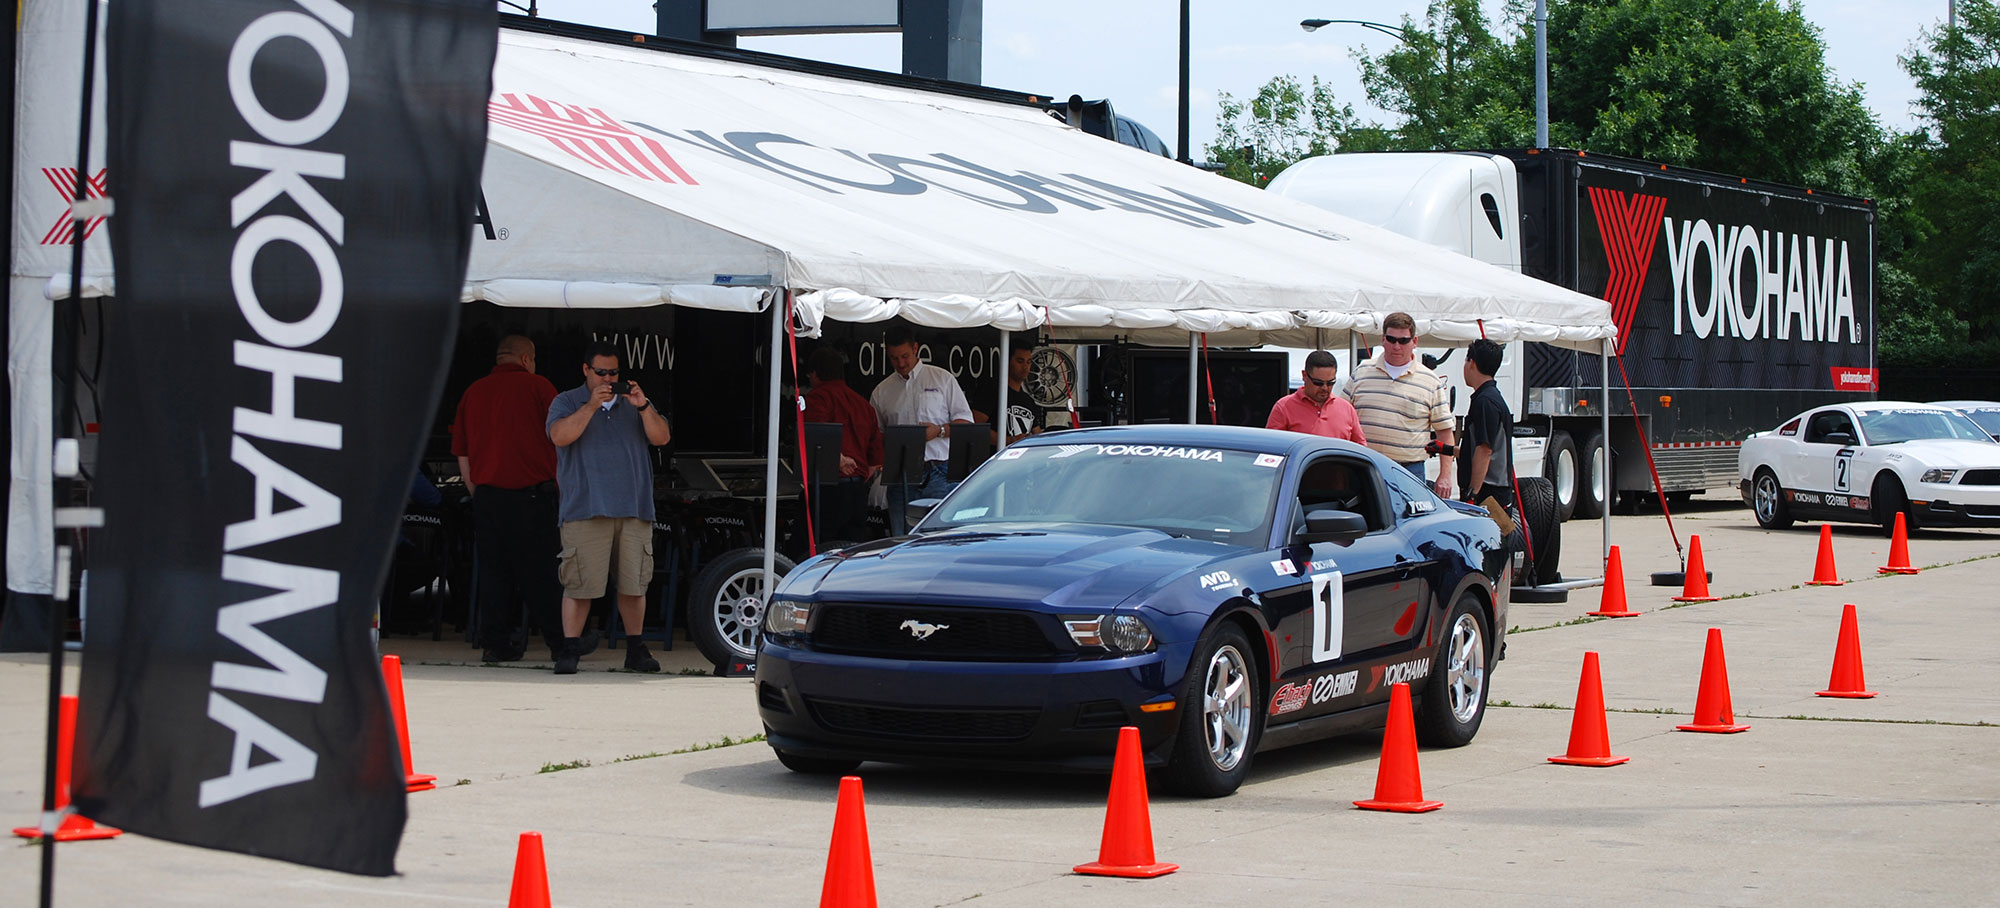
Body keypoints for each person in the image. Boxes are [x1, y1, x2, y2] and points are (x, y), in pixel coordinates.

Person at [545, 342, 673, 675]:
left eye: (613, 372)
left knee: (634, 584)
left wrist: (643, 406)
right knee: (580, 585)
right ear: (585, 370)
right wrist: (590, 406)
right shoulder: (566, 401)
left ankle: (635, 649)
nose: (607, 378)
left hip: (633, 508)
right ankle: (570, 648)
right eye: (600, 372)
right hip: (585, 508)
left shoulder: (635, 402)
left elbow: (661, 438)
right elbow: (559, 436)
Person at [449, 335, 570, 664]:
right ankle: (560, 644)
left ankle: (495, 645)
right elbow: (564, 436)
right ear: (527, 360)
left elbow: (462, 452)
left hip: (488, 497)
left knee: (493, 575)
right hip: (532, 495)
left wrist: (478, 492)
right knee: (542, 573)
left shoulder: (472, 393)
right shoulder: (539, 387)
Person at [869, 326, 974, 534]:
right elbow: (877, 435)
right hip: (900, 475)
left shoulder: (942, 379)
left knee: (940, 537)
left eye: (905, 356)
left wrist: (940, 430)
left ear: (916, 348)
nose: (900, 363)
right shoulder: (882, 391)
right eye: (894, 358)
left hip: (940, 470)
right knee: (902, 539)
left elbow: (967, 423)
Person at [1346, 312, 1456, 498]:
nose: (1397, 346)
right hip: (1365, 467)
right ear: (1383, 339)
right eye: (1391, 339)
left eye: (1403, 341)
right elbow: (1341, 416)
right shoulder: (1361, 372)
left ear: (1415, 341)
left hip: (1409, 471)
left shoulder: (1430, 381)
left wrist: (1445, 475)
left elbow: (1445, 432)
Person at [801, 346, 883, 540]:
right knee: (851, 553)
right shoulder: (863, 404)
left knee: (813, 551)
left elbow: (813, 436)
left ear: (815, 374)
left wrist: (837, 460)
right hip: (858, 491)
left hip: (827, 488)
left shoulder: (817, 398)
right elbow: (875, 458)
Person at [1457, 338, 1514, 508]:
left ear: (1472, 363)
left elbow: (1485, 450)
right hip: (1492, 491)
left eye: (1466, 361)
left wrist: (1472, 494)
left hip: (1489, 494)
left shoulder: (1485, 402)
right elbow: (1478, 449)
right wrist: (1447, 450)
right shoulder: (1490, 397)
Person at [1266, 349, 1367, 444]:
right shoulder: (1284, 407)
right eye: (1318, 383)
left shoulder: (1347, 409)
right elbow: (1271, 447)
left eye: (1330, 383)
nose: (1325, 388)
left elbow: (1361, 448)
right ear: (1304, 375)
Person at [990, 342, 1047, 446]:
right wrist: (1009, 441)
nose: (1025, 367)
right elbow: (976, 427)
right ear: (1007, 361)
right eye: (1020, 361)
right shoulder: (992, 392)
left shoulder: (1028, 400)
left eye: (1029, 362)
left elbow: (1037, 434)